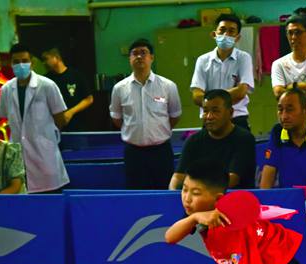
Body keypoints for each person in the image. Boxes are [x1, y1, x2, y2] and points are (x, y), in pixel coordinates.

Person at [164, 161, 306, 264]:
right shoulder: (197, 210)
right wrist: (194, 218)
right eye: (184, 189)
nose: (187, 198)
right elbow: (170, 237)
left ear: (218, 199)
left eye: (196, 193)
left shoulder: (229, 230)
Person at [110, 38, 182, 189]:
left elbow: (175, 115)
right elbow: (117, 118)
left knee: (164, 192)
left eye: (143, 53)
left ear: (152, 57)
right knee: (137, 194)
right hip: (134, 153)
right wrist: (134, 131)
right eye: (134, 53)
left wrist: (158, 130)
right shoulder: (119, 88)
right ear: (129, 58)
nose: (139, 56)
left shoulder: (168, 86)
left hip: (161, 151)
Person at [0, 43, 69, 193]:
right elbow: (4, 115)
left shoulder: (47, 85)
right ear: (11, 64)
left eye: (24, 61)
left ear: (32, 62)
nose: (20, 65)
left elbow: (60, 119)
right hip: (18, 156)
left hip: (45, 155)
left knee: (49, 199)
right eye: (16, 62)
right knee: (23, 199)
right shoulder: (6, 89)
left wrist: (45, 136)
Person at [169, 89, 255, 190]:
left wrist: (199, 191)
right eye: (205, 111)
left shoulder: (244, 139)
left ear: (230, 112)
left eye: (215, 111)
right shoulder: (193, 141)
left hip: (235, 197)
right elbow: (178, 177)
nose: (209, 116)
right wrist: (173, 195)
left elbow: (232, 180)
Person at [190, 13, 254, 130]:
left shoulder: (244, 58)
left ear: (238, 37)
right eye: (222, 30)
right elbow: (197, 95)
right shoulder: (202, 60)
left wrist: (211, 101)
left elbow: (241, 92)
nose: (226, 35)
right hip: (210, 119)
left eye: (231, 31)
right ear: (214, 34)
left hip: (237, 119)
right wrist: (218, 106)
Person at [42, 47, 94, 132]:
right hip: (53, 128)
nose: (44, 63)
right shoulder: (45, 80)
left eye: (46, 59)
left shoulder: (76, 75)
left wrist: (71, 112)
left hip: (77, 127)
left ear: (56, 57)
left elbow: (89, 99)